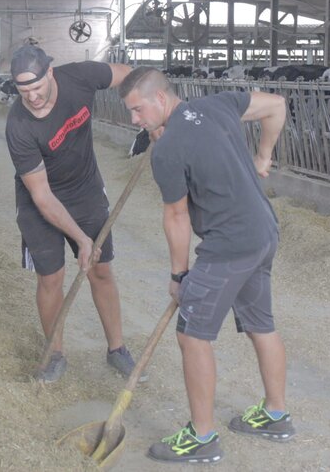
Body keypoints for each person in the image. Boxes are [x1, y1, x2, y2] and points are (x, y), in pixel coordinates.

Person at [119, 67, 294, 464]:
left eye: (137, 110)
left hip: (230, 245)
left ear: (160, 99)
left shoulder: (167, 150)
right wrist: (263, 156)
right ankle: (276, 414)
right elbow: (276, 105)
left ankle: (201, 437)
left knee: (192, 335)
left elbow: (177, 217)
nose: (134, 120)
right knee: (260, 324)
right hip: (264, 233)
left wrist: (179, 276)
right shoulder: (216, 105)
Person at [4, 45, 139, 383]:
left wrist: (148, 113)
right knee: (50, 278)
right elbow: (42, 195)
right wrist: (81, 239)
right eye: (23, 92)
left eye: (36, 88)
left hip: (86, 191)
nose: (32, 98)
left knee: (101, 269)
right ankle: (55, 354)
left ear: (50, 73)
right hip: (42, 200)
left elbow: (129, 75)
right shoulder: (18, 125)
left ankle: (117, 350)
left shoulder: (80, 76)